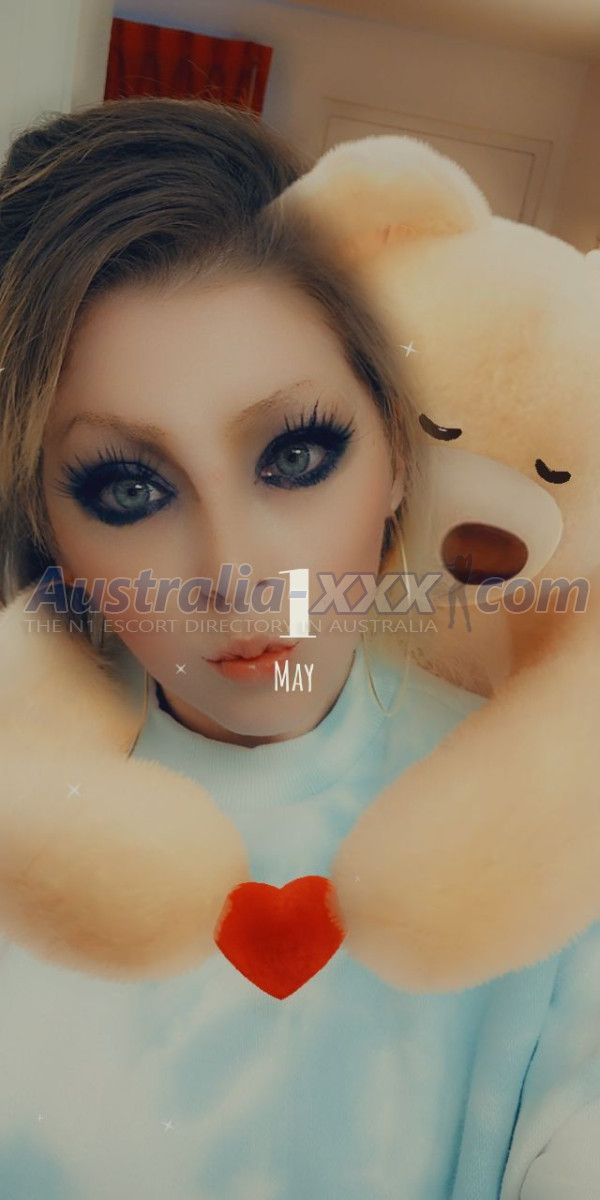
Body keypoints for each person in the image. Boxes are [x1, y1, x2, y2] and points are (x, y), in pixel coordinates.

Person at [0, 96, 597, 1200]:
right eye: (128, 489)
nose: (235, 575)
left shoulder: (557, 832)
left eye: (295, 455)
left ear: (400, 457)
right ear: (49, 529)